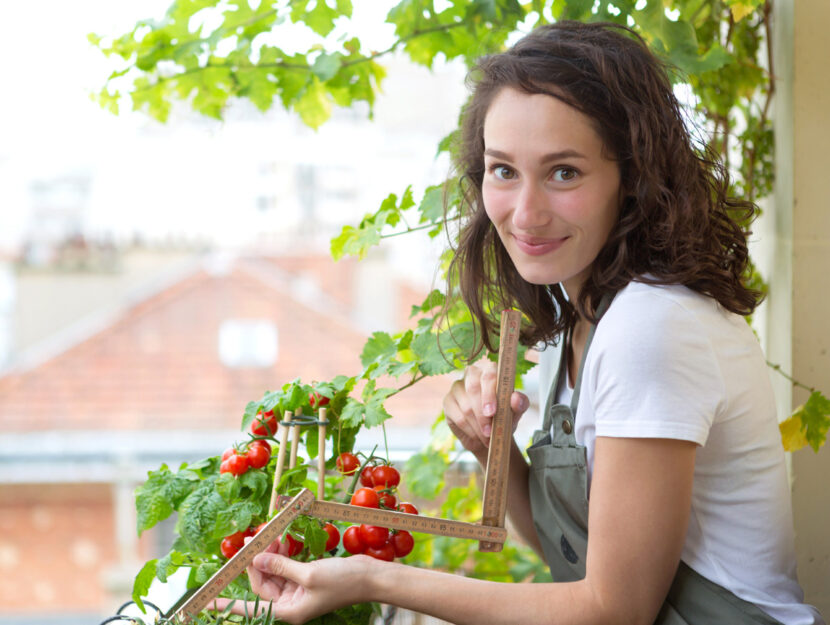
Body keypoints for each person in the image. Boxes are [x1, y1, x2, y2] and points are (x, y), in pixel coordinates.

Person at [219, 21, 824, 625]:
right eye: (504, 170)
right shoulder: (579, 317)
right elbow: (575, 558)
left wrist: (375, 577)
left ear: (634, 177)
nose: (526, 213)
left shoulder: (651, 327)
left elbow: (613, 610)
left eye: (564, 172)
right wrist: (495, 451)